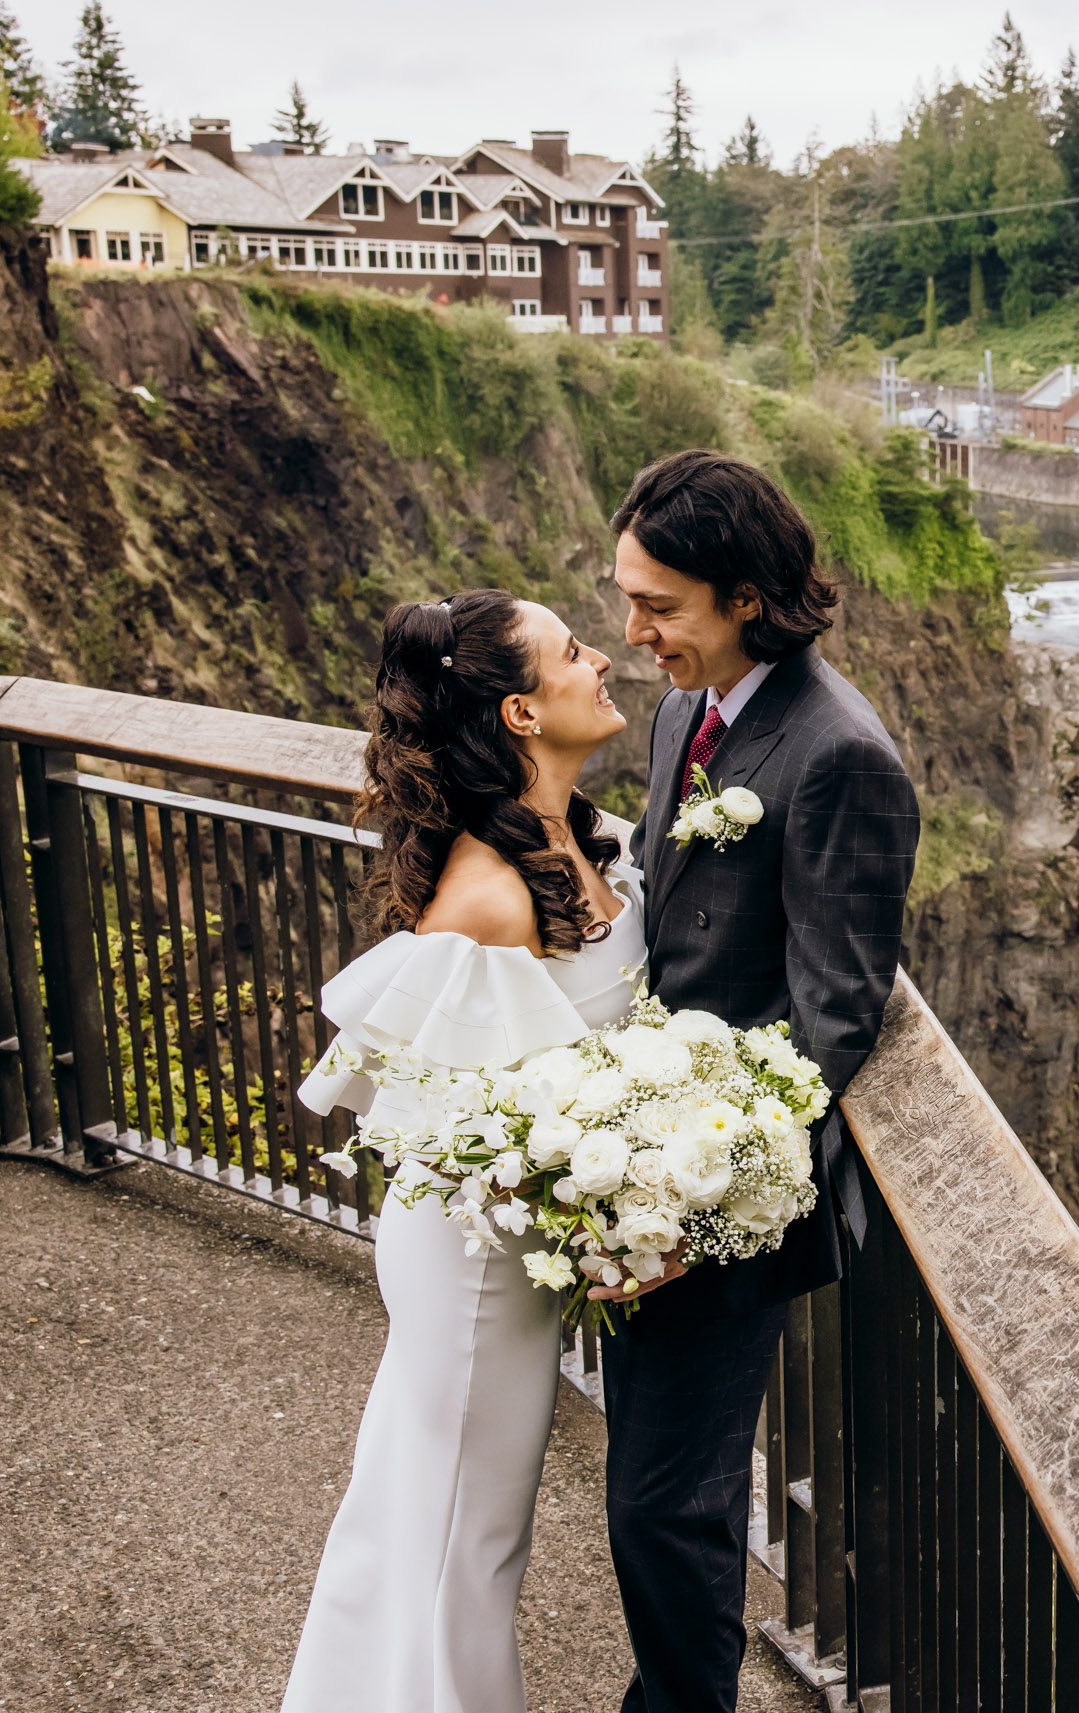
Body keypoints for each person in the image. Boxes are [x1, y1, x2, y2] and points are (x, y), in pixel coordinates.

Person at [599, 448, 918, 1713]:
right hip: (644, 1154)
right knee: (652, 1486)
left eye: (659, 607)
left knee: (667, 1503)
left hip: (723, 1193)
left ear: (743, 595)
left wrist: (694, 1192)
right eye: (628, 598)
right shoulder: (693, 709)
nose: (633, 634)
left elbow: (834, 1013)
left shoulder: (841, 755)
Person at [284, 589, 640, 1712]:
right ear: (524, 713)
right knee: (461, 1538)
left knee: (426, 1513)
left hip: (505, 1254)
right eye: (576, 652)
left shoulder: (580, 839)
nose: (604, 660)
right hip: (475, 1265)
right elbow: (448, 1131)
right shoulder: (485, 902)